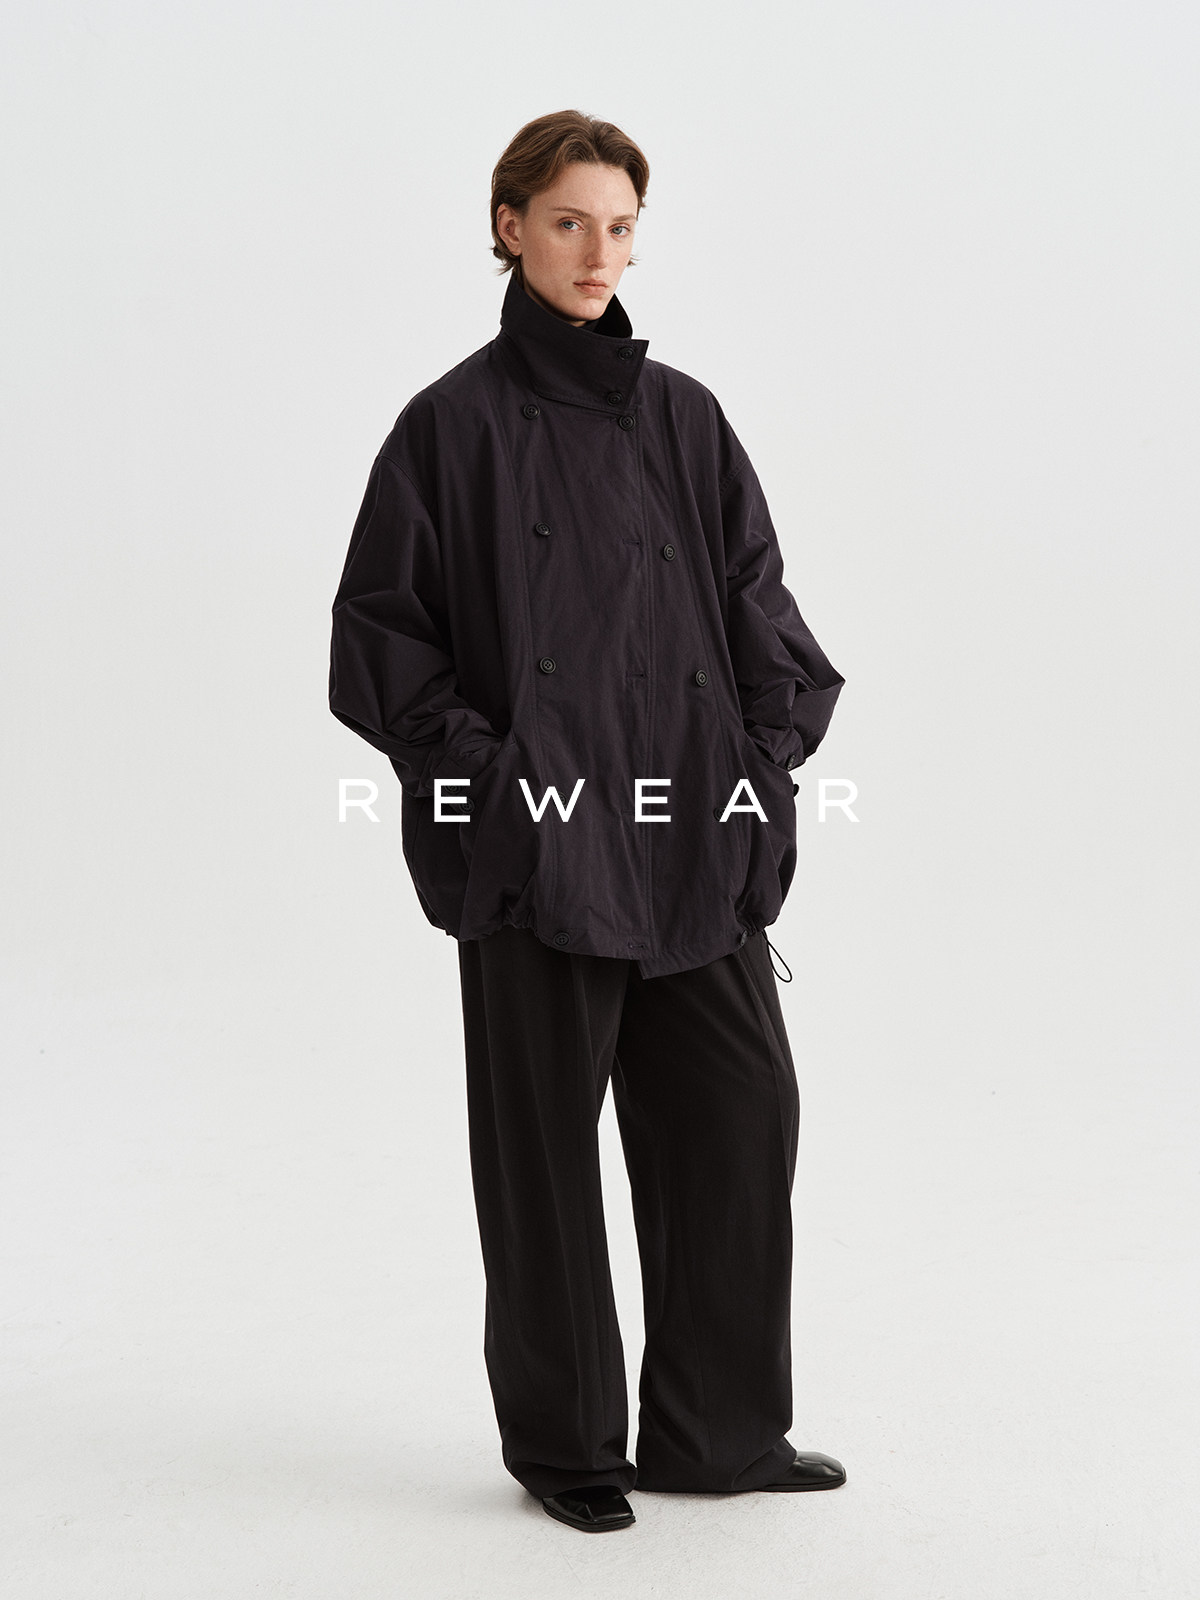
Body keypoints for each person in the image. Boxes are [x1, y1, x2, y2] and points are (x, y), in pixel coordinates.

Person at [328, 110, 847, 1534]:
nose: (598, 252)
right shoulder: (447, 427)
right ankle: (569, 1449)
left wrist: (761, 765)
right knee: (545, 1162)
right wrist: (497, 789)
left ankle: (717, 1433)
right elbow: (381, 644)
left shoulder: (684, 416)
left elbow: (759, 607)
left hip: (688, 837)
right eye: (569, 222)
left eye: (620, 227)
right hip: (539, 852)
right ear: (510, 228)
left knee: (741, 1114)